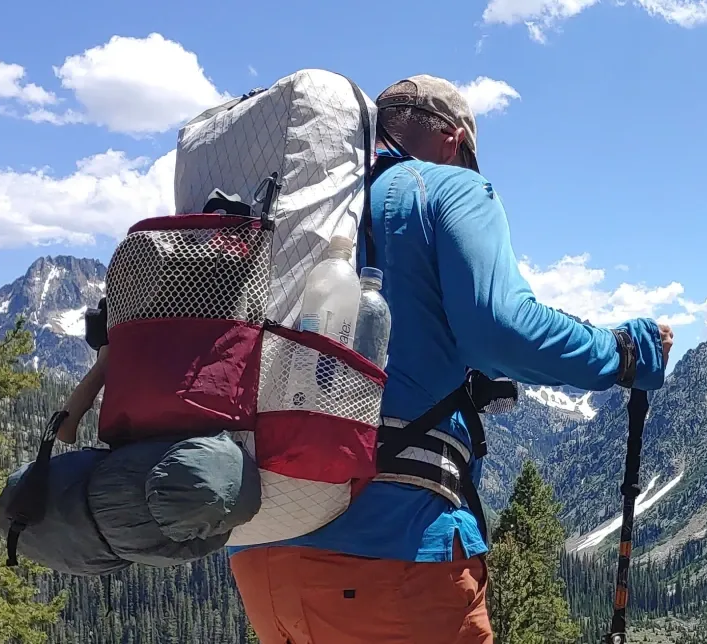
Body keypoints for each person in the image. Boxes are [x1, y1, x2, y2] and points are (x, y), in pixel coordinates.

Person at [227, 74, 674, 644]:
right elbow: (502, 329)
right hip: (393, 550)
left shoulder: (306, 213)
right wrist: (623, 353)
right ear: (455, 139)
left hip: (262, 552)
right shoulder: (446, 188)